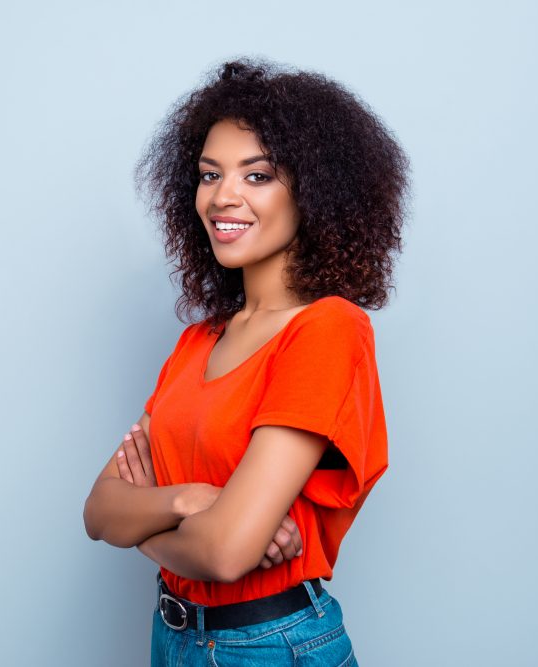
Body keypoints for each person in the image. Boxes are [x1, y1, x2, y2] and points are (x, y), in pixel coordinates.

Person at [83, 57, 409, 666]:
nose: (222, 196)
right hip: (172, 637)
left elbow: (226, 553)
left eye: (256, 176)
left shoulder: (327, 330)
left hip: (269, 646)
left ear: (315, 191)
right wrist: (190, 503)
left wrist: (148, 523)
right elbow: (98, 511)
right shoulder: (198, 342)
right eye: (210, 174)